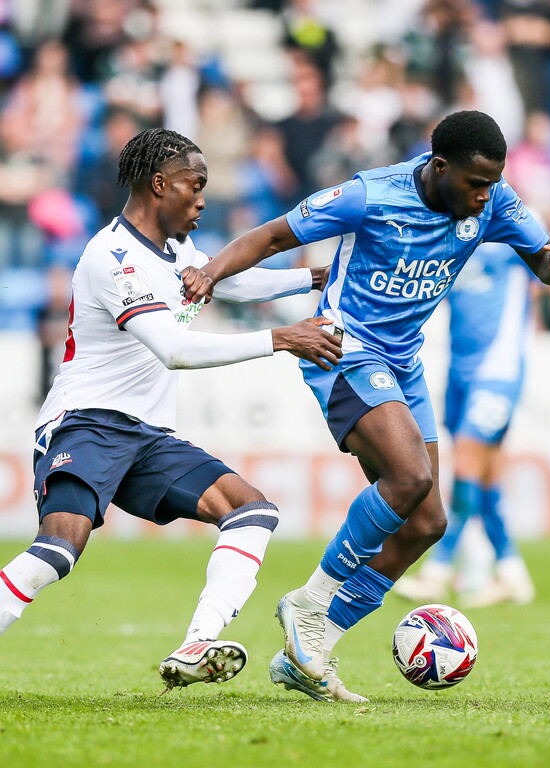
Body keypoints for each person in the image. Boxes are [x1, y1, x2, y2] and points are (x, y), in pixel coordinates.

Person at [181, 110, 550, 703]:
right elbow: (272, 236)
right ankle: (307, 603)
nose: (486, 194)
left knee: (427, 522)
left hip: (405, 365)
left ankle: (311, 648)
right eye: (475, 183)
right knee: (409, 476)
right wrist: (209, 272)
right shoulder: (370, 195)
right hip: (343, 348)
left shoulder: (495, 202)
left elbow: (542, 264)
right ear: (440, 168)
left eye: (493, 182)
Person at [0, 128, 342, 690]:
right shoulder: (113, 257)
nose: (203, 198)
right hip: (85, 422)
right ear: (159, 185)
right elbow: (176, 350)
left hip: (145, 436)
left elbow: (226, 285)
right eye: (195, 185)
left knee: (252, 511)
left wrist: (313, 278)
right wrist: (281, 338)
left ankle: (196, 643)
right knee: (60, 548)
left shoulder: (175, 250)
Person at [393, 237, 550, 607]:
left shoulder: (518, 225)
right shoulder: (451, 230)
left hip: (499, 369)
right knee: (484, 474)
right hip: (458, 371)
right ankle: (512, 573)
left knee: (466, 460)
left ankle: (438, 570)